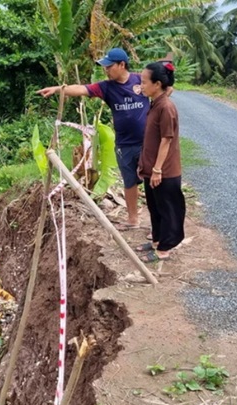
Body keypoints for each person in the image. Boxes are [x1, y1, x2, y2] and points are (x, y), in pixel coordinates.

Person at [36, 48, 172, 230]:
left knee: (152, 183)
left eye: (109, 66)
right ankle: (133, 219)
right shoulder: (106, 87)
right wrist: (58, 89)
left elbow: (165, 88)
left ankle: (160, 227)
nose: (106, 70)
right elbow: (81, 89)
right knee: (130, 182)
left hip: (147, 143)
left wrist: (156, 108)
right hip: (124, 144)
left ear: (122, 65)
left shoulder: (142, 80)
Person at [135, 61, 185, 262]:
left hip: (165, 170)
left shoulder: (166, 107)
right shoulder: (156, 102)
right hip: (152, 168)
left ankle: (165, 248)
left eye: (145, 82)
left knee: (167, 209)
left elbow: (166, 140)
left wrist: (157, 169)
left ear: (157, 84)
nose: (142, 86)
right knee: (154, 207)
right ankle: (157, 240)